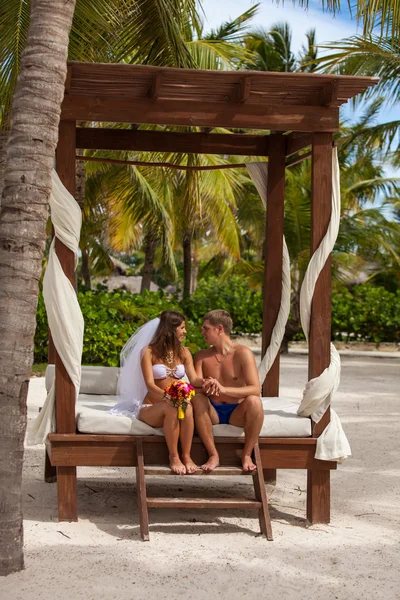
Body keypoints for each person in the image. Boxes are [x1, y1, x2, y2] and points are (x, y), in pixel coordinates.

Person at [111, 311, 205, 475]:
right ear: (170, 329)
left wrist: (206, 382)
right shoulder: (148, 352)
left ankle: (187, 455)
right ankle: (174, 456)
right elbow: (149, 384)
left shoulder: (184, 352)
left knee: (187, 407)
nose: (185, 331)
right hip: (152, 406)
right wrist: (167, 396)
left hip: (176, 403)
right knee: (171, 407)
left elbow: (194, 379)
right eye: (182, 328)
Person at [193, 309, 264, 472]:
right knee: (197, 398)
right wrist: (205, 384)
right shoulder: (201, 356)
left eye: (206, 328)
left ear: (219, 329)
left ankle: (246, 454)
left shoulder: (242, 353)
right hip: (212, 412)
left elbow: (255, 388)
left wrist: (223, 389)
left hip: (236, 412)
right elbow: (196, 384)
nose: (202, 332)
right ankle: (213, 454)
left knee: (254, 401)